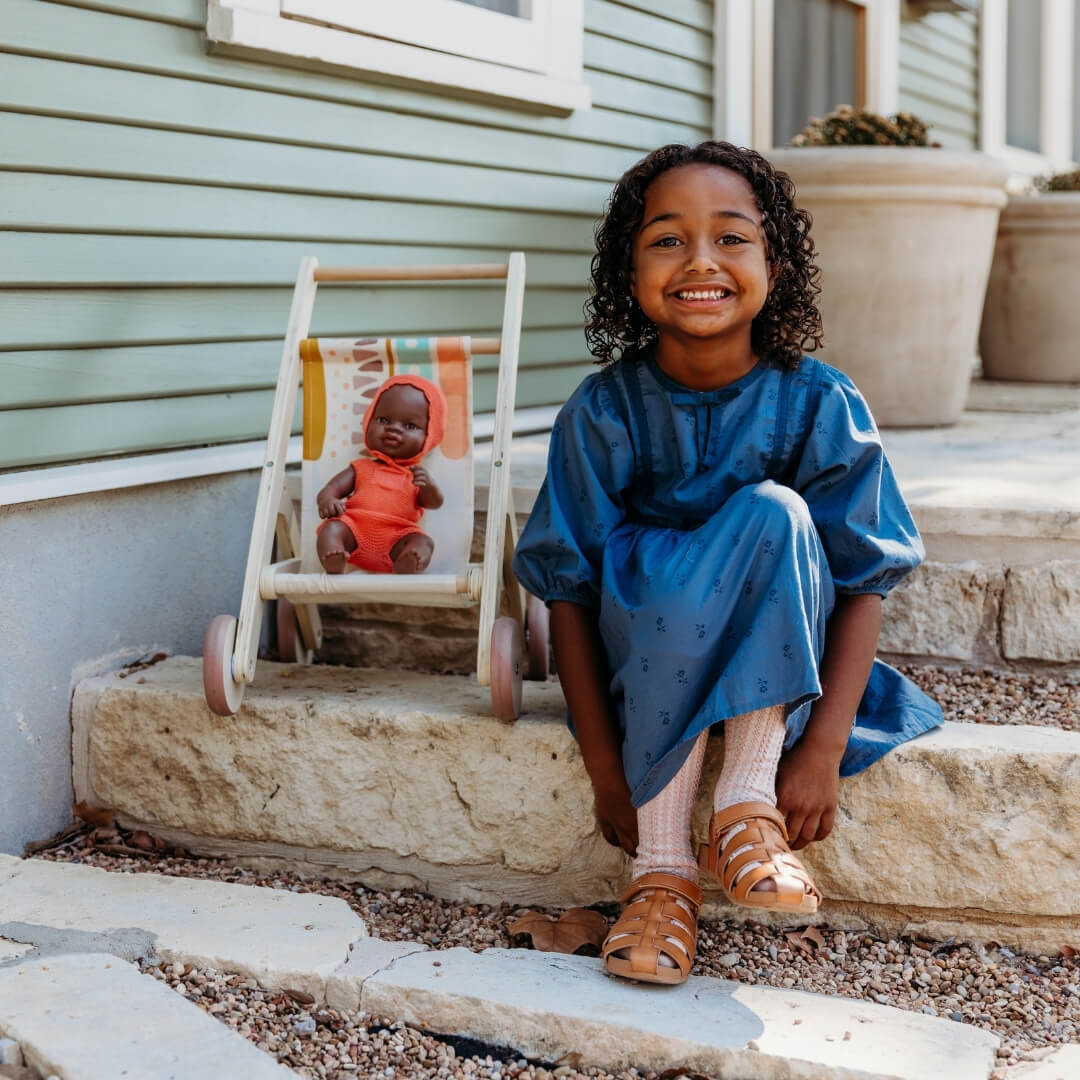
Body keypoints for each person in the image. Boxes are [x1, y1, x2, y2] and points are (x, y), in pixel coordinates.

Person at [512, 141, 943, 986]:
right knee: (651, 562)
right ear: (627, 271)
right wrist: (606, 774)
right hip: (644, 650)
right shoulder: (603, 412)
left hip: (779, 649)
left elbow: (862, 579)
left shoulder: (819, 401)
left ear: (775, 264)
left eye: (732, 238)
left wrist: (816, 751)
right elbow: (568, 594)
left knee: (775, 514)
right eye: (667, 239)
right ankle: (662, 872)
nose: (700, 261)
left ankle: (747, 805)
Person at [317, 374, 446, 574]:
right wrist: (328, 500)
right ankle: (334, 557)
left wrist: (429, 487)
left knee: (423, 541)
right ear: (368, 421)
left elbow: (434, 503)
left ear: (429, 438)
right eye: (384, 420)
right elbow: (331, 488)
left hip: (397, 537)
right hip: (354, 531)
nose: (393, 429)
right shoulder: (361, 467)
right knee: (331, 529)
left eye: (410, 426)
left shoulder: (416, 477)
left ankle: (408, 561)